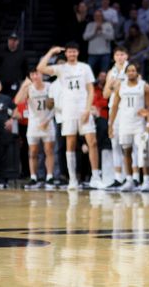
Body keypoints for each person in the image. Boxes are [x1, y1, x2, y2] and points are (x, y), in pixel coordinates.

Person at [37, 43, 103, 190]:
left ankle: (96, 177)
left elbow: (90, 90)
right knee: (70, 144)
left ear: (77, 53)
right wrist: (51, 51)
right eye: (69, 52)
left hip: (83, 109)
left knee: (92, 142)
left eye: (74, 51)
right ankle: (72, 179)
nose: (72, 54)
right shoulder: (61, 69)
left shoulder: (85, 67)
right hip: (68, 111)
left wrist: (87, 109)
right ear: (66, 54)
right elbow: (40, 68)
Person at [108, 63, 149, 191]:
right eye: (129, 71)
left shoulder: (144, 86)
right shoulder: (120, 87)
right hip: (124, 123)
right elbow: (115, 106)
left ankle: (146, 180)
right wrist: (111, 125)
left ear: (137, 73)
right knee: (126, 152)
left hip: (139, 124)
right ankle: (129, 180)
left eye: (133, 70)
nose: (131, 73)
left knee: (142, 152)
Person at [14, 70, 56, 189]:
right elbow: (17, 101)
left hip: (48, 122)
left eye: (36, 73)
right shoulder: (29, 88)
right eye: (32, 74)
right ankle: (33, 177)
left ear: (41, 75)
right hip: (33, 125)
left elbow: (55, 104)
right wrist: (24, 86)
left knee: (49, 151)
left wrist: (47, 120)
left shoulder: (49, 87)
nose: (35, 76)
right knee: (32, 152)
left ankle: (50, 177)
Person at [102, 46, 129, 189]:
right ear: (114, 57)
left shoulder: (131, 69)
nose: (120, 57)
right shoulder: (111, 72)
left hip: (128, 109)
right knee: (115, 143)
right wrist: (112, 86)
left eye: (122, 54)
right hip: (114, 110)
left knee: (129, 145)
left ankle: (132, 177)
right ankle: (118, 177)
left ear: (127, 56)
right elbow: (105, 94)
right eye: (117, 54)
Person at [0, 78, 18, 187]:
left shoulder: (6, 99)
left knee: (3, 156)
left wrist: (12, 119)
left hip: (3, 132)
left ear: (1, 87)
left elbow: (16, 110)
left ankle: (3, 180)